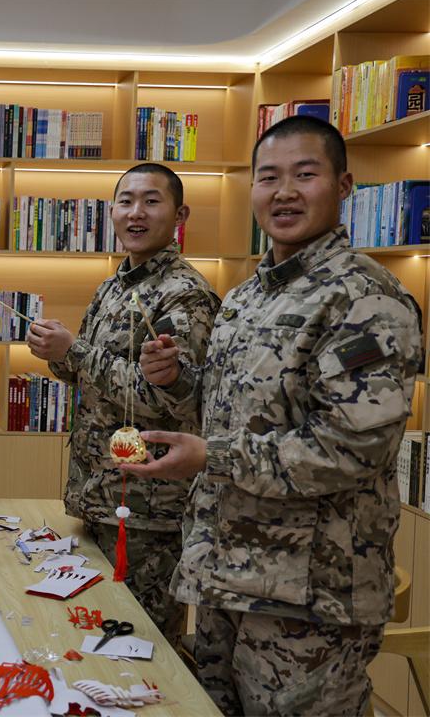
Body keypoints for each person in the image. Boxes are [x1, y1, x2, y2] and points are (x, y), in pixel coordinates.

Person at [126, 116, 424, 717]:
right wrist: (178, 379)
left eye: (304, 175)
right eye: (268, 178)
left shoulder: (365, 299)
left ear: (343, 186)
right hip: (225, 576)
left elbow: (349, 449)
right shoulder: (247, 296)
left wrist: (211, 456)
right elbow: (231, 409)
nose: (284, 192)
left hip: (311, 597)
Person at [24, 163, 219, 645]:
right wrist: (56, 351)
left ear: (179, 215)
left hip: (147, 512)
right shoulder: (115, 285)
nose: (136, 213)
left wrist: (75, 351)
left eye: (151, 201)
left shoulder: (186, 294)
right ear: (111, 211)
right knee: (92, 643)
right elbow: (85, 375)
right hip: (99, 497)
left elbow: (169, 399)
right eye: (126, 201)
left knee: (142, 649)